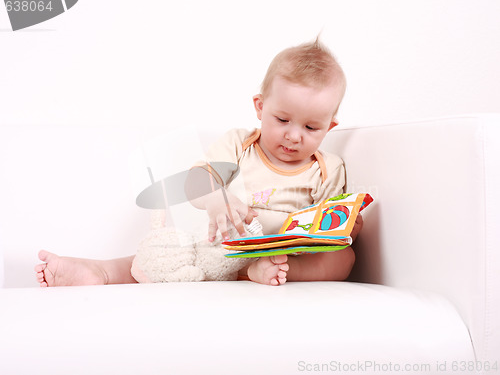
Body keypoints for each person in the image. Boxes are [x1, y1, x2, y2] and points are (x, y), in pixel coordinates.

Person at [35, 38, 363, 287]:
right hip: (221, 243)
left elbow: (332, 222)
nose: (294, 136)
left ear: (330, 127)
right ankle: (101, 271)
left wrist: (347, 226)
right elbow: (195, 181)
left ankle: (263, 271)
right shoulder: (239, 144)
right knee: (170, 253)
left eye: (310, 127)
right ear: (260, 107)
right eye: (282, 119)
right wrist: (217, 200)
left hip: (285, 253)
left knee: (344, 259)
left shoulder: (328, 168)